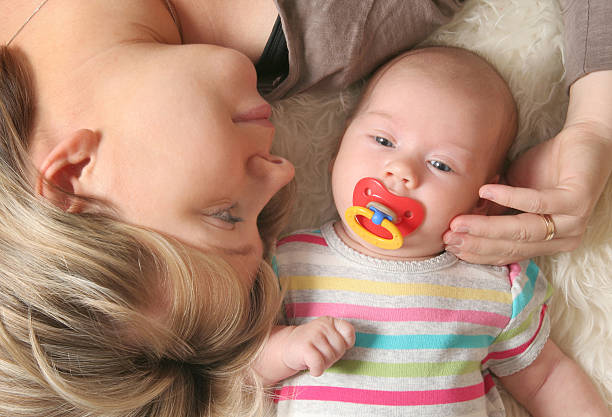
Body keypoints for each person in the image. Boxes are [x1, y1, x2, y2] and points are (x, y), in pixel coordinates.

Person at [0, 0, 610, 415]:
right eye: (262, 217)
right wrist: (597, 123)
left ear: (76, 174)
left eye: (222, 213)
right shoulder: (336, 26)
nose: (284, 170)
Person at [271, 47, 611, 416]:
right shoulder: (289, 262)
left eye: (440, 165)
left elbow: (547, 379)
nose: (401, 171)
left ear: (480, 202)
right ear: (337, 152)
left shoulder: (494, 284)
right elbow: (231, 370)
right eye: (383, 141)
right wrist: (284, 350)